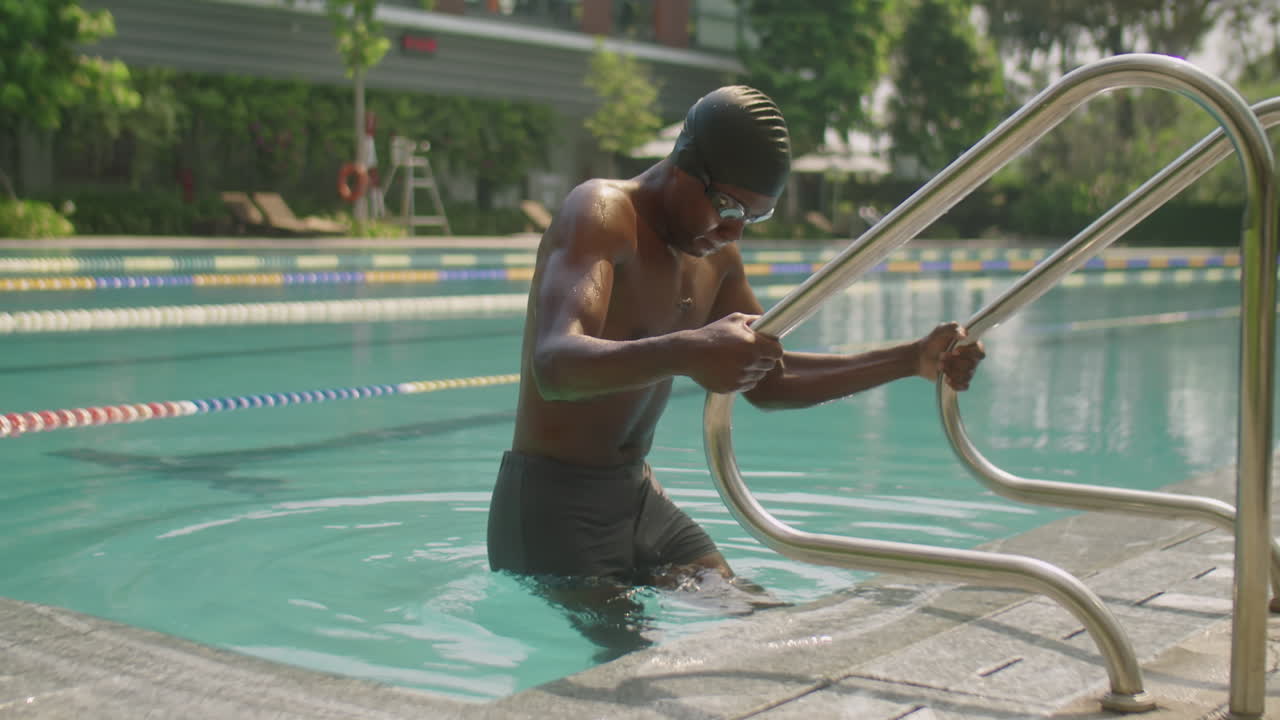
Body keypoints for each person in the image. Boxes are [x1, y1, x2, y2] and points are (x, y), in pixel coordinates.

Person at [486, 85, 985, 650]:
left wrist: (909, 359)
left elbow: (769, 381)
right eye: (727, 207)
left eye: (754, 216)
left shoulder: (716, 255)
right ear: (683, 164)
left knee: (768, 626)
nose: (735, 230)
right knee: (634, 668)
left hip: (637, 498)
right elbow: (555, 363)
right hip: (552, 507)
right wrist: (690, 350)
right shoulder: (603, 213)